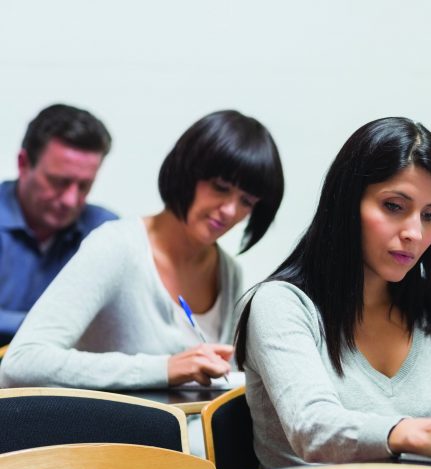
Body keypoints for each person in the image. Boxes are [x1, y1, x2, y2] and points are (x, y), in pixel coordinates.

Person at [235, 117, 431, 468]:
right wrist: (413, 433)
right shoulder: (282, 304)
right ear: (347, 202)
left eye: (430, 215)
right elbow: (313, 429)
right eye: (394, 206)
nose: (414, 233)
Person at [0, 110, 284, 389]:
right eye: (220, 187)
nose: (230, 211)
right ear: (187, 172)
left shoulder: (228, 271)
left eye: (247, 201)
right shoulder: (116, 245)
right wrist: (165, 368)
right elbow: (22, 363)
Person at [0, 104, 115, 345]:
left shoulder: (107, 233)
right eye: (58, 182)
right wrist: (50, 327)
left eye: (84, 186)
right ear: (23, 164)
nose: (70, 200)